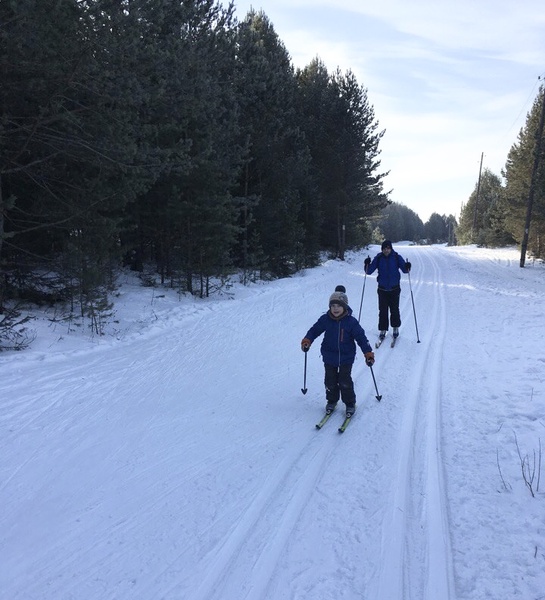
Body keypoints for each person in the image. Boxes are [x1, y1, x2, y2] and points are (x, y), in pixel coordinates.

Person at [301, 286, 375, 417]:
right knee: (330, 380)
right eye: (333, 306)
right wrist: (307, 340)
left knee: (344, 381)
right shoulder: (325, 319)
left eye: (338, 306)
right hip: (329, 356)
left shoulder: (351, 322)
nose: (335, 309)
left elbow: (361, 338)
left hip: (346, 357)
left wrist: (368, 353)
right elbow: (314, 330)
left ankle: (350, 403)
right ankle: (332, 400)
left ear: (345, 307)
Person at [364, 240, 411, 341]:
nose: (386, 250)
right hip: (382, 289)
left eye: (388, 248)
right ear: (382, 249)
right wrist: (367, 264)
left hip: (394, 288)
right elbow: (369, 271)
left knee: (394, 309)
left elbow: (405, 270)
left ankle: (395, 327)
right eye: (384, 248)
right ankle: (383, 329)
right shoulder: (379, 258)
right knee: (383, 310)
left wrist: (407, 266)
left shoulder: (396, 257)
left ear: (391, 248)